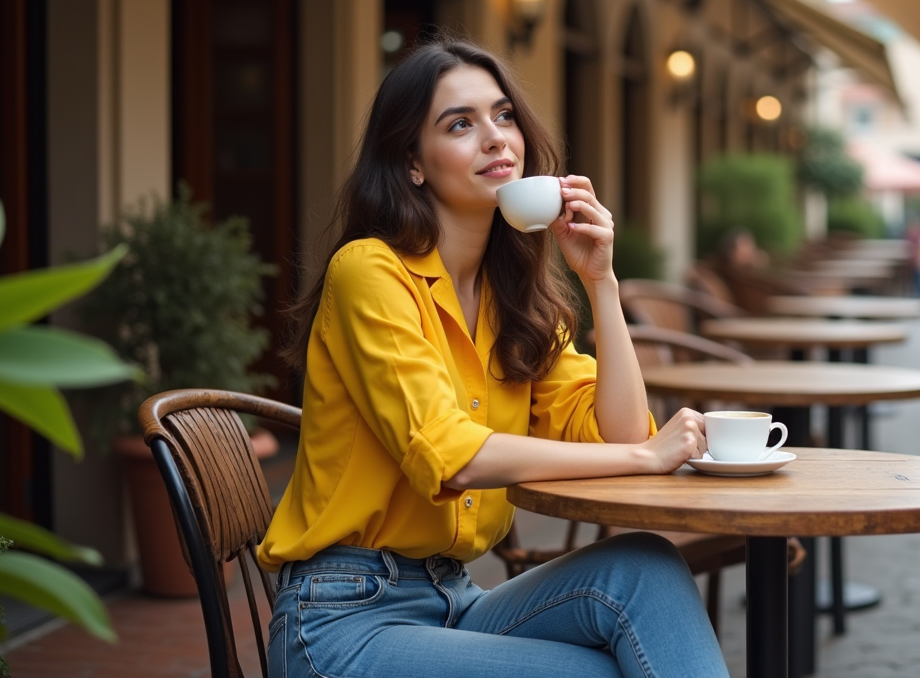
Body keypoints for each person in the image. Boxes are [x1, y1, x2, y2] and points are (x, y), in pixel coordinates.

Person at [258, 39, 729, 678]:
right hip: (343, 621)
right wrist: (647, 456)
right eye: (460, 123)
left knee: (644, 566)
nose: (495, 138)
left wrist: (602, 283)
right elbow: (451, 452)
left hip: (454, 596)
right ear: (413, 164)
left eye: (504, 116)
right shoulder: (369, 271)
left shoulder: (512, 300)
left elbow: (616, 431)